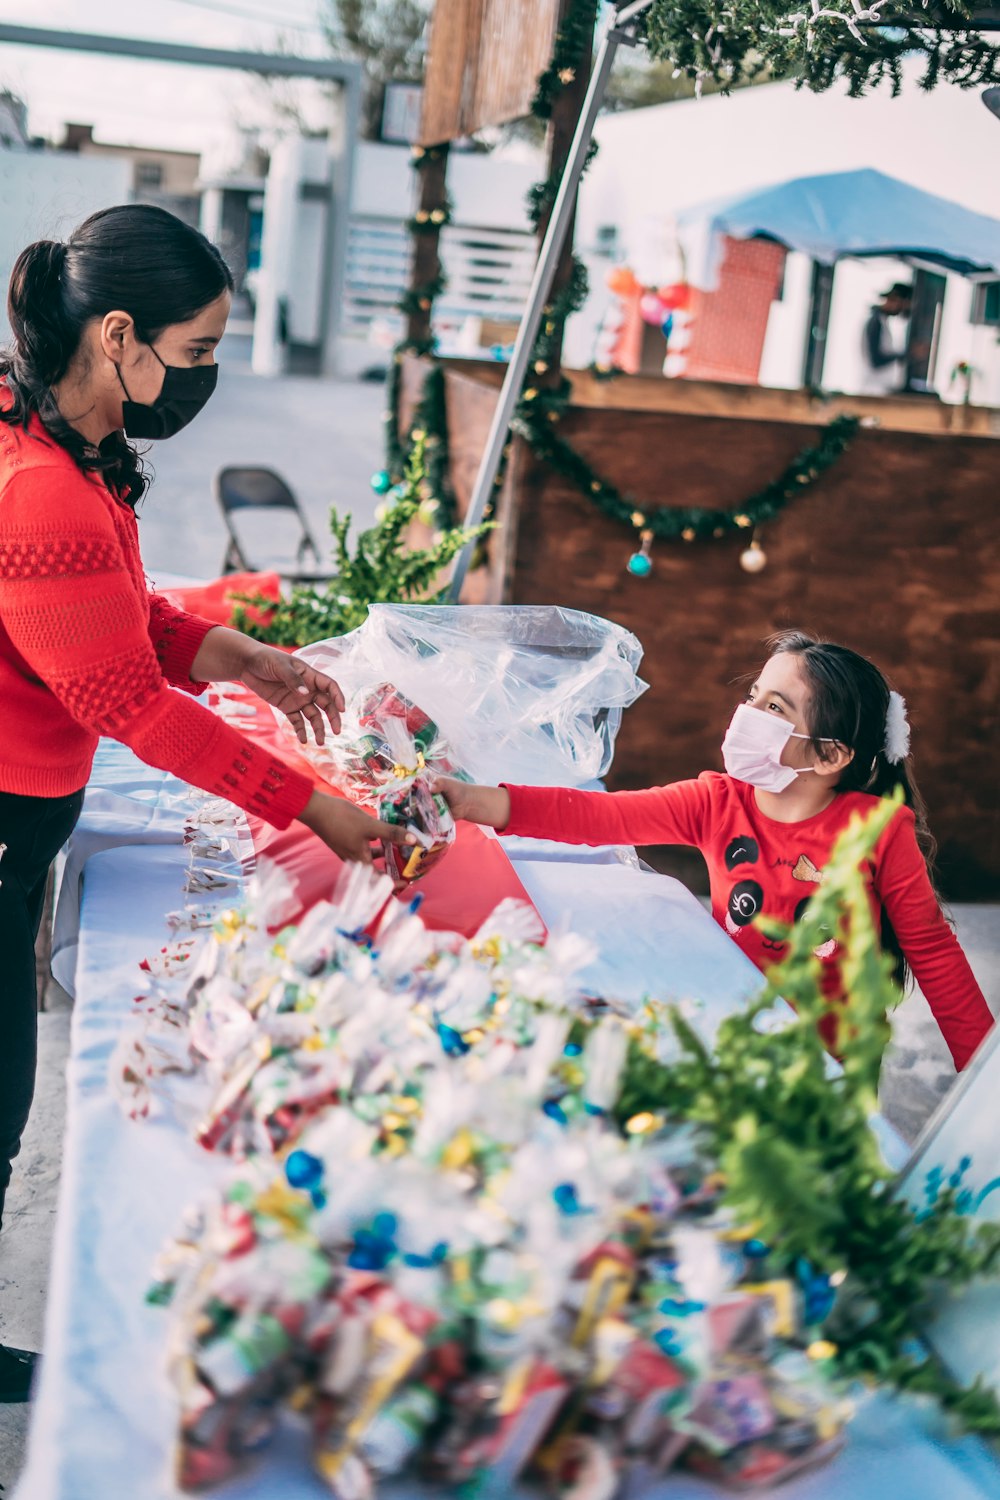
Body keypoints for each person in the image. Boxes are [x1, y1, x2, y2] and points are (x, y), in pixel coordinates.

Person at [0, 205, 411, 1399]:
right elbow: (131, 702)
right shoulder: (42, 491)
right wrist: (314, 808)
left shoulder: (61, 442)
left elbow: (122, 616)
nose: (206, 379)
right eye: (194, 354)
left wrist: (243, 659)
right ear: (116, 333)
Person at [436, 630, 994, 1075]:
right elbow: (595, 816)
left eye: (774, 707)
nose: (746, 714)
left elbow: (934, 951)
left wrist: (984, 1080)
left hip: (834, 1061)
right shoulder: (716, 802)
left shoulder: (878, 831)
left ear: (828, 755)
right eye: (752, 697)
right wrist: (470, 800)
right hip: (733, 1030)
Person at [859, 281, 912, 396]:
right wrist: (907, 354)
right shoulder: (875, 323)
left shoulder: (881, 322)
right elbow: (876, 360)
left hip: (880, 389)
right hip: (875, 390)